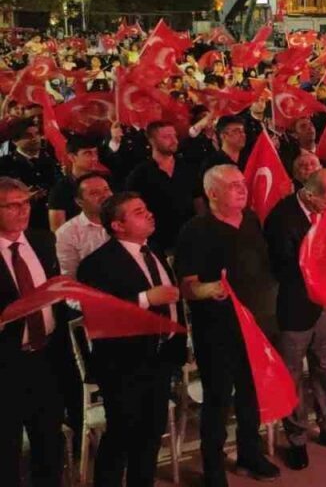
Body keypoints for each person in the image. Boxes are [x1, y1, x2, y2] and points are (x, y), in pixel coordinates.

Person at [174, 165, 281, 485]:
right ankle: (213, 467)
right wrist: (209, 289)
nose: (242, 189)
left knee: (251, 395)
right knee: (218, 399)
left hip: (258, 325)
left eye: (243, 184)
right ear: (213, 193)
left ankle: (250, 454)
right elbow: (186, 286)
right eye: (233, 185)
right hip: (218, 330)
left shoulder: (251, 220)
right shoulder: (195, 230)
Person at [76, 192, 185, 487]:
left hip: (160, 357)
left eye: (146, 208)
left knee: (151, 436)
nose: (149, 214)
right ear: (118, 226)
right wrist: (145, 298)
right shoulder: (96, 264)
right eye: (138, 212)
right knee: (122, 437)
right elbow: (98, 313)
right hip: (123, 364)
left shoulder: (155, 250)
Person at [264, 169, 326, 470]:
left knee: (325, 368)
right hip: (294, 309)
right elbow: (283, 269)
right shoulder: (282, 218)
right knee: (292, 376)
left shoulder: (324, 213)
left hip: (323, 308)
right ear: (309, 194)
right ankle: (296, 439)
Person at [0, 177, 68, 487]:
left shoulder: (43, 241)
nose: (22, 210)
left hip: (47, 357)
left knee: (48, 443)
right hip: (5, 363)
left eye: (26, 202)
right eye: (12, 205)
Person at [125, 121, 200, 259]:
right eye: (166, 137)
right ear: (152, 141)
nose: (174, 141)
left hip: (192, 237)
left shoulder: (188, 167)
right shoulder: (139, 174)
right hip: (159, 243)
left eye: (174, 136)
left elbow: (198, 199)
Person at [0, 118, 60, 233]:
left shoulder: (52, 159)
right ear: (15, 141)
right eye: (27, 135)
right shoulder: (5, 164)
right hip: (22, 223)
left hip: (51, 220)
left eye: (37, 134)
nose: (34, 138)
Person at [53, 172, 112, 278]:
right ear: (79, 202)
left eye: (106, 190)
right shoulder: (66, 233)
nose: (105, 196)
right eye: (94, 193)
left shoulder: (125, 218)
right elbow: (69, 277)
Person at [47, 135, 102, 230]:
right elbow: (57, 230)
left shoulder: (103, 181)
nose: (94, 158)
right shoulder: (60, 190)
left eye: (95, 153)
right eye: (88, 154)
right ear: (72, 157)